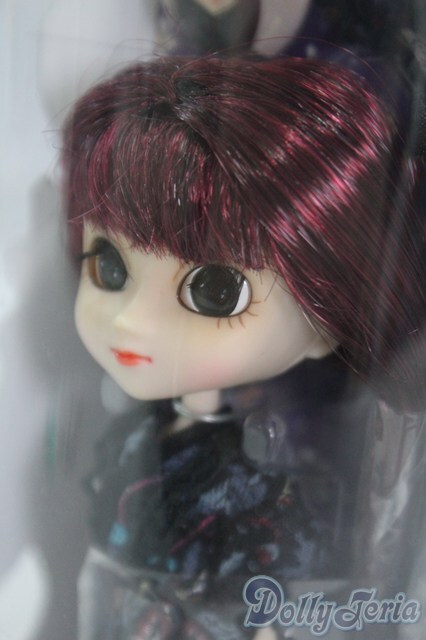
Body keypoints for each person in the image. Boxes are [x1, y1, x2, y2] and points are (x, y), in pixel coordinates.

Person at [62, 56, 425, 639]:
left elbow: (273, 593)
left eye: (215, 291)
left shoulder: (257, 486)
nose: (129, 320)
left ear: (325, 321)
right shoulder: (142, 435)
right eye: (108, 265)